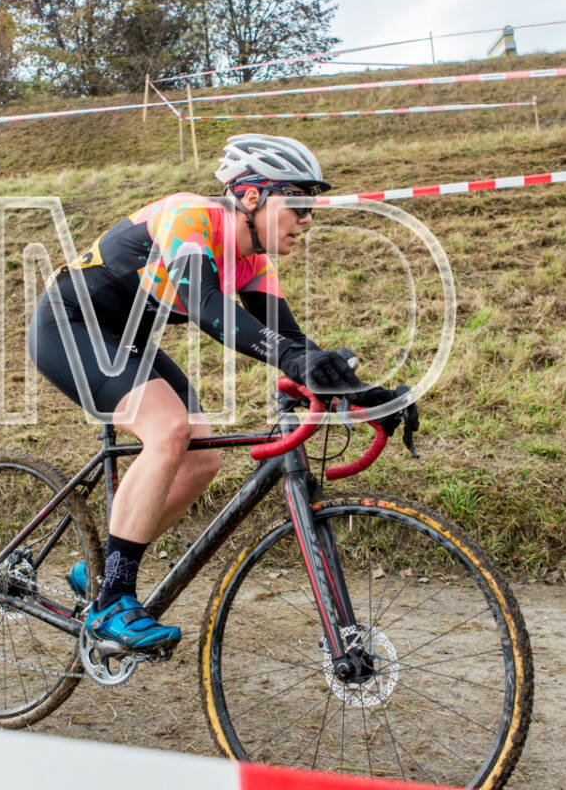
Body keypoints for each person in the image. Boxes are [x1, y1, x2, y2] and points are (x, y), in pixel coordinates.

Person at [27, 133, 416, 653]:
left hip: (127, 341)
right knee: (169, 430)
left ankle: (104, 564)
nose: (307, 219)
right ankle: (112, 604)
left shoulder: (252, 264)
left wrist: (365, 395)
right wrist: (295, 359)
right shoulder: (190, 217)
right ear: (252, 196)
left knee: (200, 460)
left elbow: (295, 344)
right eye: (298, 203)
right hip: (69, 324)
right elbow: (209, 306)